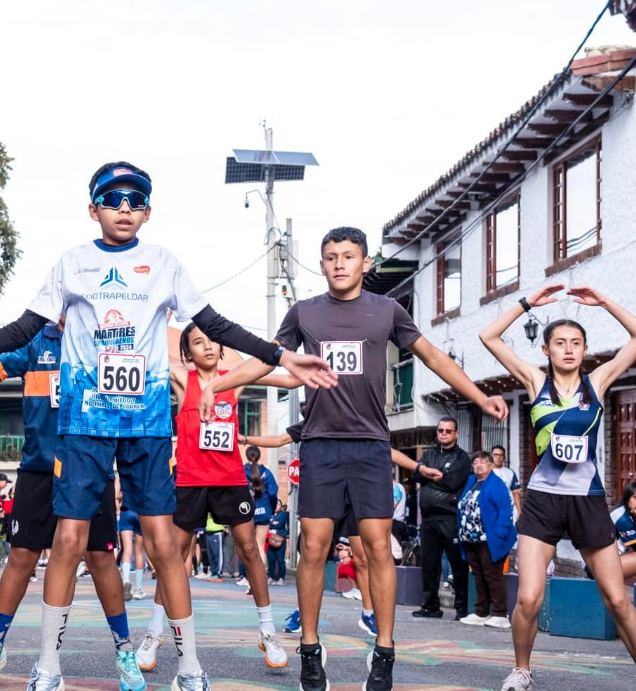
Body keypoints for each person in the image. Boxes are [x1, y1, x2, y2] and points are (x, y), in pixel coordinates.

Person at [0, 161, 335, 691]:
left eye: (136, 201)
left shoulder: (164, 263)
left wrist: (283, 357)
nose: (125, 209)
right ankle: (48, 667)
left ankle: (190, 668)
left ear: (149, 211)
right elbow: (23, 327)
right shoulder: (73, 263)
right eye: (113, 200)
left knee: (161, 542)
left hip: (147, 424)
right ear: (94, 209)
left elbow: (215, 324)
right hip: (85, 425)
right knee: (67, 540)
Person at [204, 226, 505, 691]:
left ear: (366, 263)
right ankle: (309, 648)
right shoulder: (304, 313)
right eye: (330, 256)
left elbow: (433, 357)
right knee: (315, 546)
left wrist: (479, 396)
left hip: (370, 446)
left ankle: (383, 652)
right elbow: (268, 359)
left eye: (348, 256)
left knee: (378, 547)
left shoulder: (388, 311)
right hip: (321, 444)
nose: (339, 263)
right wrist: (216, 385)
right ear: (321, 264)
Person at [479, 282, 636, 691]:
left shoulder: (596, 383)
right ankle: (522, 670)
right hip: (544, 500)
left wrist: (604, 301)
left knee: (617, 599)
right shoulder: (533, 381)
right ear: (545, 350)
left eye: (576, 343)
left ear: (583, 350)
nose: (568, 349)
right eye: (559, 342)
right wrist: (527, 304)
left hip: (588, 500)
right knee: (529, 597)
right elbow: (488, 336)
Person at [0, 285, 143, 691]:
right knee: (21, 557)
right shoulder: (34, 342)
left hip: (92, 468)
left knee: (100, 560)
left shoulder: (106, 344)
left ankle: (125, 651)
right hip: (39, 469)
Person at [139, 323, 294, 672]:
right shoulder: (181, 378)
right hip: (190, 481)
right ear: (187, 352)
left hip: (229, 479)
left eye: (211, 341)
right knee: (173, 556)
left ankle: (267, 631)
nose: (207, 347)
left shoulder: (235, 378)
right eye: (197, 343)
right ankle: (153, 632)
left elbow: (282, 378)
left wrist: (306, 370)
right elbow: (145, 360)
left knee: (249, 549)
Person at [246, 424, 443, 639]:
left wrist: (419, 468)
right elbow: (279, 440)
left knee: (362, 559)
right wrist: (244, 439)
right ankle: (303, 613)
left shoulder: (358, 420)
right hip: (323, 501)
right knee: (313, 558)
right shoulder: (315, 422)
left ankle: (368, 614)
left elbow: (385, 450)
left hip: (352, 501)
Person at [412, 418, 473, 621]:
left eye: (448, 431)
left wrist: (428, 476)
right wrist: (430, 474)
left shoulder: (462, 457)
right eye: (440, 430)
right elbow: (416, 475)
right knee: (429, 565)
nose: (444, 434)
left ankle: (462, 609)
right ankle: (430, 606)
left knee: (458, 565)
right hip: (428, 520)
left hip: (449, 517)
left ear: (456, 433)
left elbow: (451, 482)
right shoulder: (429, 454)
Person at [457, 451, 517, 629]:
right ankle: (481, 611)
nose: (479, 465)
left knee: (492, 575)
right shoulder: (472, 482)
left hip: (490, 539)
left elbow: (505, 508)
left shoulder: (495, 484)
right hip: (471, 539)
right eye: (475, 462)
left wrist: (499, 532)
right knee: (478, 575)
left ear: (491, 465)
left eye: (483, 462)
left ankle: (500, 613)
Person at [244, 445, 278, 586]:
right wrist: (271, 507)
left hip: (246, 511)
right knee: (259, 545)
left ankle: (250, 580)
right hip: (264, 511)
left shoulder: (241, 471)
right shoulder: (266, 472)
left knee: (247, 546)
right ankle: (260, 581)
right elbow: (273, 492)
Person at [117, 501, 146, 600]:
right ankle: (138, 588)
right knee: (138, 552)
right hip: (140, 510)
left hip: (126, 510)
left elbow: (116, 495)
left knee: (127, 550)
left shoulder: (123, 484)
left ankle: (126, 579)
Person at [491, 445, 522, 519]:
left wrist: (519, 511)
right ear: (491, 456)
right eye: (495, 455)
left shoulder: (510, 472)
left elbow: (515, 493)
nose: (498, 457)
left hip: (507, 510)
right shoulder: (486, 472)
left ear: (504, 457)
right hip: (491, 509)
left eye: (501, 455)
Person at [266, 508, 289, 585]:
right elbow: (266, 524)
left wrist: (272, 524)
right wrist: (273, 523)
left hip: (280, 540)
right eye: (275, 505)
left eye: (278, 504)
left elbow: (280, 524)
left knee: (280, 560)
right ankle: (270, 577)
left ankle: (281, 578)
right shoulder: (269, 513)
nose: (276, 506)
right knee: (271, 559)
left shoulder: (283, 514)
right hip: (270, 540)